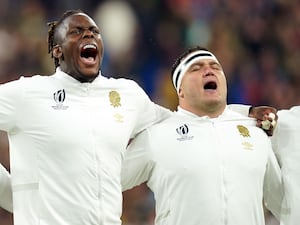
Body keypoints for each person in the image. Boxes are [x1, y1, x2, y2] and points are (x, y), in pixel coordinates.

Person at [0, 9, 172, 225]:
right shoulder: (29, 93)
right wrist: (9, 192)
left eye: (94, 31)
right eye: (76, 31)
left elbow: (172, 128)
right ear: (57, 51)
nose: (89, 35)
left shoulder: (127, 94)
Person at [121, 46, 284, 225]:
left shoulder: (255, 131)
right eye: (196, 69)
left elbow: (282, 202)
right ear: (180, 90)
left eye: (215, 67)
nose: (208, 71)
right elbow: (106, 182)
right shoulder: (158, 135)